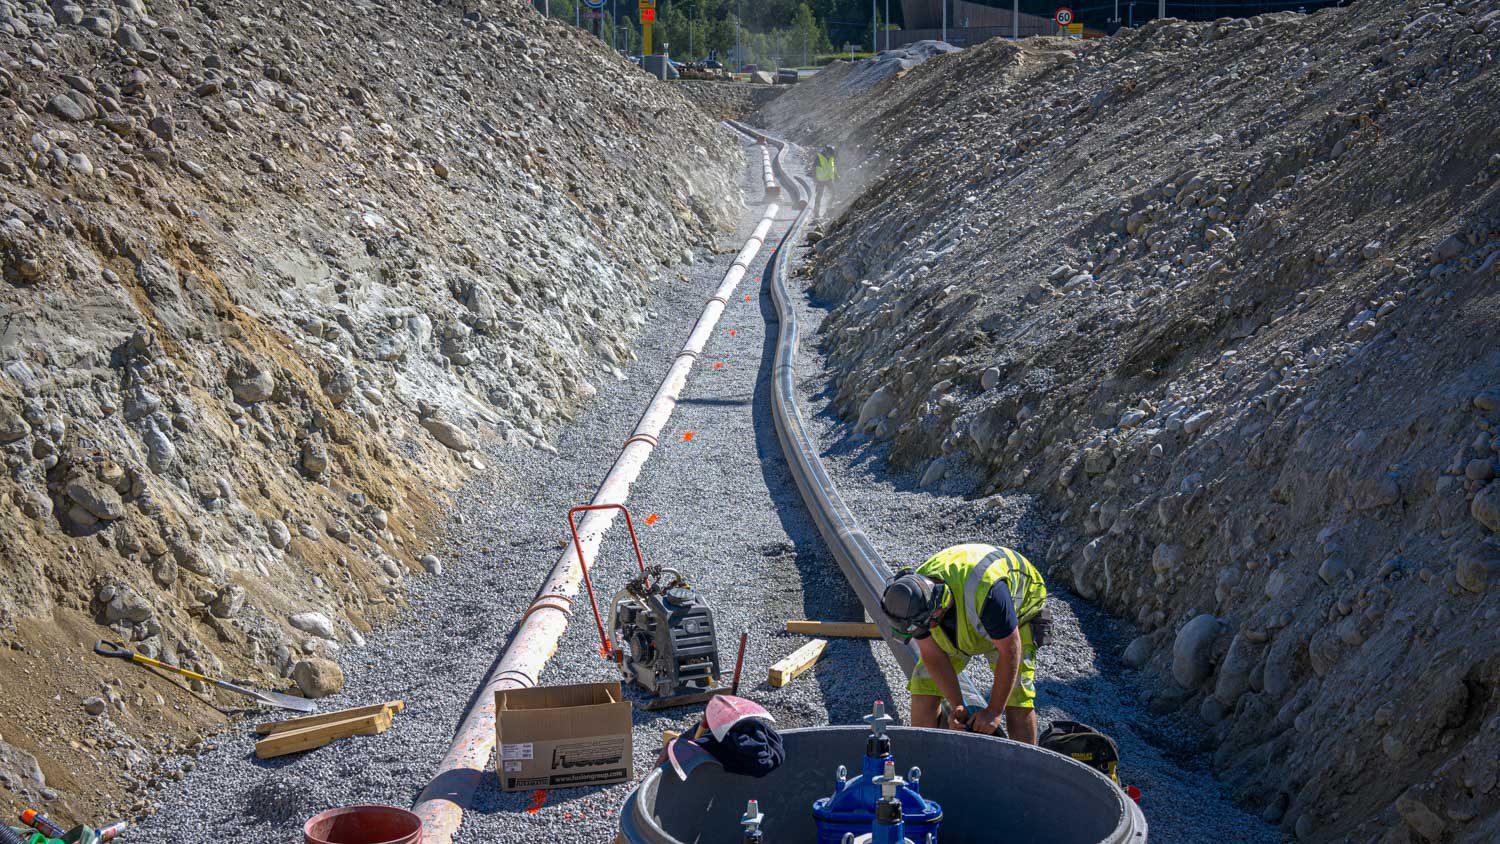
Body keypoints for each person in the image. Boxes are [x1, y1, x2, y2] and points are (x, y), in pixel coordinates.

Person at [880, 544, 1050, 743]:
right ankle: (923, 763)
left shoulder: (989, 593)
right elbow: (933, 656)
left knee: (1017, 700)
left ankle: (1027, 770)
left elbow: (1010, 651)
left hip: (1019, 614)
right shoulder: (915, 600)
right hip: (967, 611)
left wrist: (994, 710)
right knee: (924, 686)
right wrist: (957, 706)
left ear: (937, 612)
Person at [812, 144, 838, 217]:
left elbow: (832, 167)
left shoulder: (831, 158)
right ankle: (816, 214)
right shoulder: (819, 158)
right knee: (819, 197)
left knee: (834, 194)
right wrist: (815, 179)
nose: (831, 155)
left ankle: (828, 210)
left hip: (829, 179)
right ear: (826, 152)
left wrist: (836, 175)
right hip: (820, 180)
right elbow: (813, 169)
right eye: (830, 153)